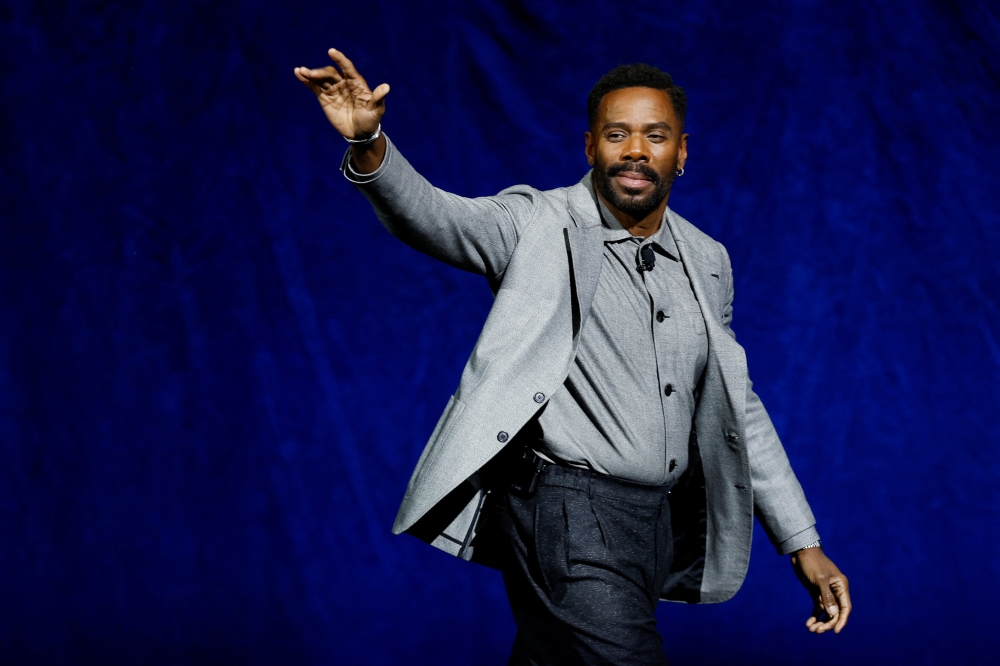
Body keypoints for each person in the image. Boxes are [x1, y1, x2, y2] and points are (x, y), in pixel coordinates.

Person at [295, 48, 852, 665]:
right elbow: (436, 217)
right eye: (618, 135)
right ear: (591, 148)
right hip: (566, 511)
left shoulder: (707, 258)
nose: (636, 150)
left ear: (682, 153)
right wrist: (370, 142)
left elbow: (735, 405)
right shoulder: (537, 221)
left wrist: (803, 543)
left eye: (655, 136)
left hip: (657, 523)